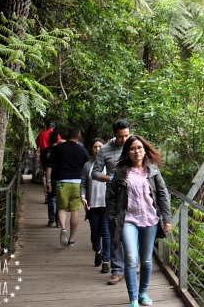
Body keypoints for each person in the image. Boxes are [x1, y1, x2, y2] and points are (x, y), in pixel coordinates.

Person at [106, 135, 172, 307]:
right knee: (130, 258)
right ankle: (133, 298)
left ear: (145, 150)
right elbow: (111, 197)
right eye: (133, 148)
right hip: (128, 219)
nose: (137, 151)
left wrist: (167, 219)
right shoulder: (120, 172)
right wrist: (113, 217)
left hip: (150, 219)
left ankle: (143, 293)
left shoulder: (153, 170)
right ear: (128, 152)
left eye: (140, 148)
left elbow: (163, 195)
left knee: (147, 260)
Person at [92, 119, 130, 285]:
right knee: (114, 233)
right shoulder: (105, 150)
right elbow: (95, 173)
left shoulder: (133, 144)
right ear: (114, 134)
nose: (124, 140)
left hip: (133, 196)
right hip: (114, 196)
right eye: (121, 136)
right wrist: (111, 178)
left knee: (132, 229)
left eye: (127, 135)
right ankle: (117, 271)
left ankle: (132, 264)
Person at [45, 128, 89, 247]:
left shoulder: (58, 148)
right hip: (77, 183)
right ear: (79, 137)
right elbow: (87, 168)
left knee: (61, 208)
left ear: (67, 135)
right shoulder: (82, 150)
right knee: (75, 210)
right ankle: (71, 238)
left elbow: (49, 166)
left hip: (61, 182)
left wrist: (48, 181)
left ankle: (63, 228)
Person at [80, 138, 111, 273]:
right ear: (91, 149)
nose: (97, 149)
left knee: (106, 232)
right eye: (95, 147)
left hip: (106, 204)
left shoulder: (109, 165)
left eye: (100, 146)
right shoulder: (88, 165)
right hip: (92, 205)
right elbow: (83, 183)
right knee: (95, 234)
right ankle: (97, 251)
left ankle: (105, 261)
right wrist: (83, 197)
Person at [40, 131, 60, 227]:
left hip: (49, 177)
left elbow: (43, 164)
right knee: (59, 198)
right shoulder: (60, 150)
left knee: (50, 197)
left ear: (48, 140)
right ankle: (58, 220)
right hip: (59, 176)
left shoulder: (44, 151)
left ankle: (51, 217)